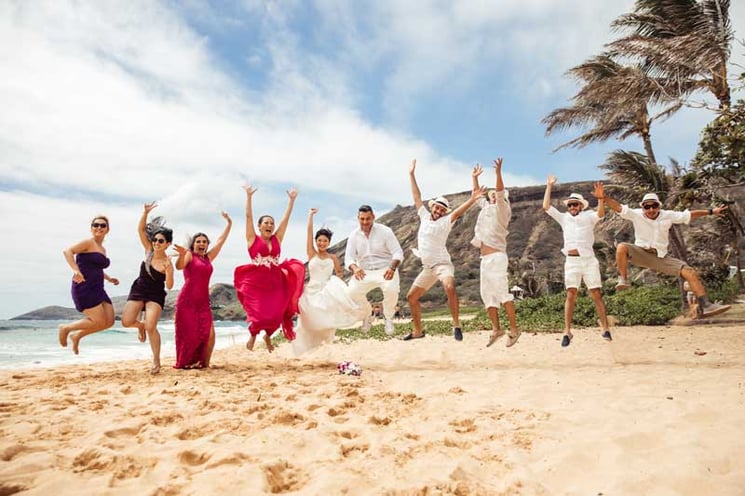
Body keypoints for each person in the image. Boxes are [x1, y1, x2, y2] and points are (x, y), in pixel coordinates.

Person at [605, 192, 731, 318]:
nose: (651, 209)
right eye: (647, 207)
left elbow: (689, 215)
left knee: (690, 272)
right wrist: (604, 197)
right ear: (642, 207)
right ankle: (623, 279)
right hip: (641, 253)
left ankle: (706, 305)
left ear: (659, 206)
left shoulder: (668, 215)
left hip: (660, 257)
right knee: (621, 247)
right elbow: (618, 207)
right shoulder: (637, 214)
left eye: (654, 206)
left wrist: (711, 211)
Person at [403, 158, 485, 341]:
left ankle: (456, 325)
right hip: (427, 267)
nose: (439, 211)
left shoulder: (446, 221)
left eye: (442, 210)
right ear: (432, 208)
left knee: (449, 286)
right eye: (437, 208)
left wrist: (473, 198)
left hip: (442, 264)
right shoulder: (424, 216)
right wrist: (411, 175)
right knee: (411, 297)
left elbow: (459, 211)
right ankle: (418, 331)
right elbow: (417, 197)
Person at [234, 185, 305, 352]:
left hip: (276, 281)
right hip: (256, 282)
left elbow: (285, 220)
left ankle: (268, 336)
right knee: (258, 314)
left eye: (271, 223)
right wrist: (249, 197)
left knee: (276, 314)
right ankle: (253, 334)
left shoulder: (277, 239)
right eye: (266, 223)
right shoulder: (252, 238)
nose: (270, 225)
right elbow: (248, 217)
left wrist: (292, 201)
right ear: (259, 226)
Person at [543, 176, 612, 347]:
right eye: (570, 205)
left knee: (596, 293)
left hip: (588, 260)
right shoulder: (564, 218)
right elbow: (546, 207)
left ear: (581, 206)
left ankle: (605, 328)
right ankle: (567, 331)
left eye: (575, 204)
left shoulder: (588, 216)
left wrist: (601, 199)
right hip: (572, 261)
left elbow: (601, 214)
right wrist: (549, 186)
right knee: (571, 294)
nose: (572, 207)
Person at [292, 208, 363, 356]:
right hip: (311, 290)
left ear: (329, 242)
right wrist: (310, 216)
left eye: (325, 241)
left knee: (327, 318)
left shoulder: (333, 258)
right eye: (319, 240)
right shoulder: (311, 253)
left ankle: (323, 340)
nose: (322, 243)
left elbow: (339, 272)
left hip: (327, 290)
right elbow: (309, 233)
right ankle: (306, 346)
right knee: (308, 320)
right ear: (316, 242)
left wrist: (335, 283)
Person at [172, 211, 232, 369]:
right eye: (198, 241)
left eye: (204, 241)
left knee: (210, 335)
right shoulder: (189, 256)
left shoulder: (208, 258)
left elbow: (220, 241)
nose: (201, 243)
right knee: (190, 335)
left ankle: (204, 364)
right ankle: (187, 362)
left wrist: (229, 224)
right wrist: (181, 255)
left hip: (203, 302)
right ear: (193, 244)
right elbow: (179, 266)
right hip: (187, 301)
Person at [120, 202, 175, 374]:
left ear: (167, 243)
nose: (156, 243)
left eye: (161, 241)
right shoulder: (148, 251)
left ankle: (156, 360)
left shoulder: (167, 262)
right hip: (139, 289)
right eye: (155, 240)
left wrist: (170, 272)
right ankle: (140, 326)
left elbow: (170, 286)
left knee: (152, 326)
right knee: (126, 321)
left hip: (155, 294)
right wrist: (145, 213)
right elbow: (140, 230)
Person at [471, 159, 520, 348]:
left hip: (497, 257)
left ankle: (514, 330)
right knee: (487, 296)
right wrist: (474, 178)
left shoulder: (502, 209)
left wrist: (498, 172)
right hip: (484, 258)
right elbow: (477, 198)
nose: (492, 196)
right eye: (490, 195)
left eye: (495, 195)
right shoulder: (487, 208)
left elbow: (499, 192)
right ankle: (496, 329)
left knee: (502, 293)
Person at [58, 215, 120, 355]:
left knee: (109, 322)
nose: (99, 227)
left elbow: (96, 268)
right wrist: (75, 270)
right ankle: (66, 328)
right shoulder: (87, 242)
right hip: (84, 287)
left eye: (102, 225)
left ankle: (77, 335)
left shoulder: (102, 249)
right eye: (95, 225)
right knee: (98, 321)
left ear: (107, 230)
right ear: (91, 228)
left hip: (98, 288)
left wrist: (109, 279)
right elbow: (68, 251)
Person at [344, 204, 404, 335]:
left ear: (373, 217)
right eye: (362, 219)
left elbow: (398, 253)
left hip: (386, 269)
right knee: (351, 292)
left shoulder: (385, 231)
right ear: (358, 218)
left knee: (392, 290)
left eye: (368, 218)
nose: (365, 222)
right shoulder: (353, 235)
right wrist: (355, 268)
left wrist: (392, 268)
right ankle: (368, 314)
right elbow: (348, 258)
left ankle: (388, 317)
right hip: (364, 271)